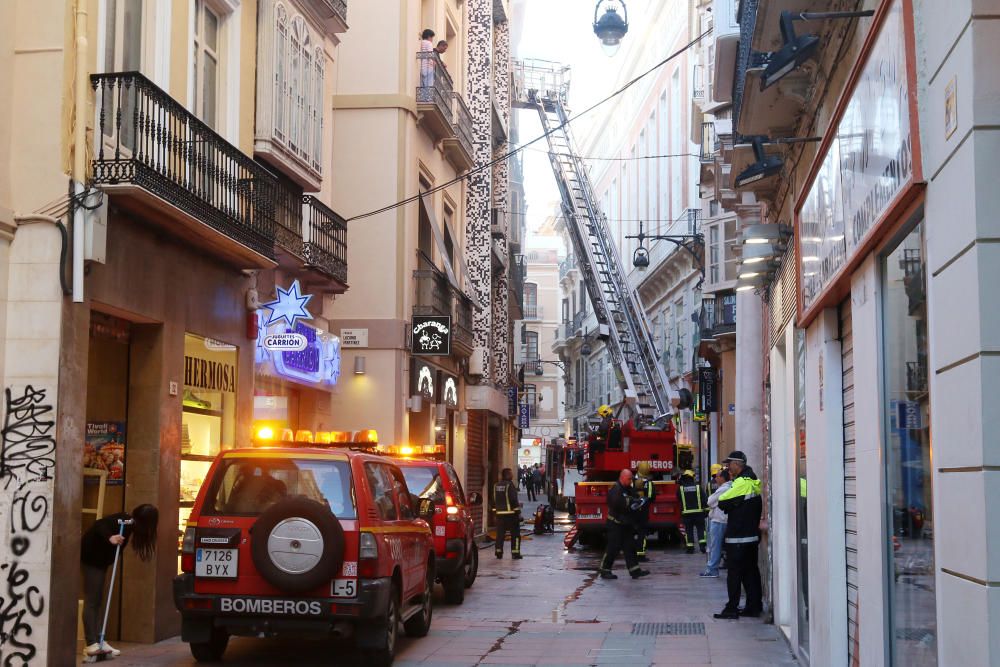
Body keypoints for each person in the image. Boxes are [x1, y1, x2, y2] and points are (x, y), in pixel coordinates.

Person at [80, 504, 159, 658]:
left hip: (100, 561)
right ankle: (91, 643)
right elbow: (99, 525)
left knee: (98, 600)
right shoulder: (125, 521)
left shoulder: (131, 525)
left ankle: (99, 640)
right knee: (92, 600)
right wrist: (111, 537)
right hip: (91, 559)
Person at [714, 451, 763, 620]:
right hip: (750, 537)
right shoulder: (752, 480)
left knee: (734, 574)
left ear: (737, 464)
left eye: (729, 464)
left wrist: (731, 504)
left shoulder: (742, 482)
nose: (728, 468)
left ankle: (731, 608)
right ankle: (753, 606)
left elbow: (722, 501)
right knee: (751, 573)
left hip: (738, 538)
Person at [598, 469, 651, 580]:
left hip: (625, 524)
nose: (631, 481)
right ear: (622, 478)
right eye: (629, 479)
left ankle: (635, 570)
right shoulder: (616, 489)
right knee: (613, 548)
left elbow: (634, 497)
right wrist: (632, 502)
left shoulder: (628, 489)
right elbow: (618, 502)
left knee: (630, 547)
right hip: (615, 524)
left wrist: (640, 500)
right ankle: (605, 570)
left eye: (631, 478)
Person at [701, 467, 731, 578]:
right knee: (716, 546)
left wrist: (713, 503)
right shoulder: (725, 487)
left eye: (717, 476)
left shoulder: (724, 488)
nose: (715, 478)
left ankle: (712, 570)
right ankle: (712, 568)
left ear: (722, 478)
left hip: (719, 520)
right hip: (720, 520)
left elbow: (709, 501)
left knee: (715, 546)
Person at [493, 468, 522, 559]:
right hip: (511, 515)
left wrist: (495, 513)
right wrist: (518, 512)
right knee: (515, 534)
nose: (512, 475)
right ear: (507, 475)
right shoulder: (510, 485)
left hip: (499, 515)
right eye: (511, 474)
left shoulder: (496, 485)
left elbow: (493, 501)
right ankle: (515, 553)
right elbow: (513, 500)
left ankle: (498, 552)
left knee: (500, 534)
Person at [678, 469, 707, 554]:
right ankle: (702, 547)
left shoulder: (681, 488)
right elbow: (704, 499)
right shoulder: (698, 487)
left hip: (687, 514)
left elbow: (678, 498)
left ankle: (690, 548)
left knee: (688, 531)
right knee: (701, 530)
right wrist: (706, 511)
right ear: (692, 478)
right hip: (699, 513)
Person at [633, 462, 655, 561]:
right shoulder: (649, 483)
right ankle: (641, 554)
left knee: (632, 532)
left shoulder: (632, 480)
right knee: (642, 533)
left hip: (633, 511)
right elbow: (651, 497)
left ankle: (632, 553)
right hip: (643, 512)